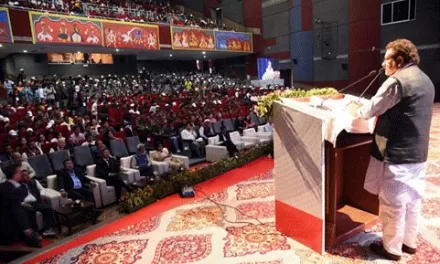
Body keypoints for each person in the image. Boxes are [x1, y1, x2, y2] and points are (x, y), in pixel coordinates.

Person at [344, 39, 434, 261]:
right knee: (412, 200)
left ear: (399, 60)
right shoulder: (426, 80)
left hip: (398, 154)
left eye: (387, 60)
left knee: (392, 204)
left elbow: (369, 110)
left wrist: (354, 107)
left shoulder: (397, 82)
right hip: (418, 153)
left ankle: (391, 249)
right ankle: (409, 243)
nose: (384, 65)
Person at [0, 164, 41, 247]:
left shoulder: (19, 184)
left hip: (17, 210)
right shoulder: (5, 187)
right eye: (19, 172)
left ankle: (33, 234)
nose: (22, 174)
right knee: (23, 213)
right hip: (7, 216)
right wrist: (26, 228)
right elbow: (14, 208)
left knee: (29, 209)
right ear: (14, 175)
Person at [20, 169, 56, 237]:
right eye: (24, 175)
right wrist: (23, 204)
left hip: (35, 201)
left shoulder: (34, 181)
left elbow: (42, 189)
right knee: (31, 212)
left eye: (27, 174)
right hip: (26, 204)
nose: (27, 176)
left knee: (48, 208)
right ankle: (35, 232)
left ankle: (48, 229)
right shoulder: (17, 186)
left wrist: (42, 195)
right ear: (20, 177)